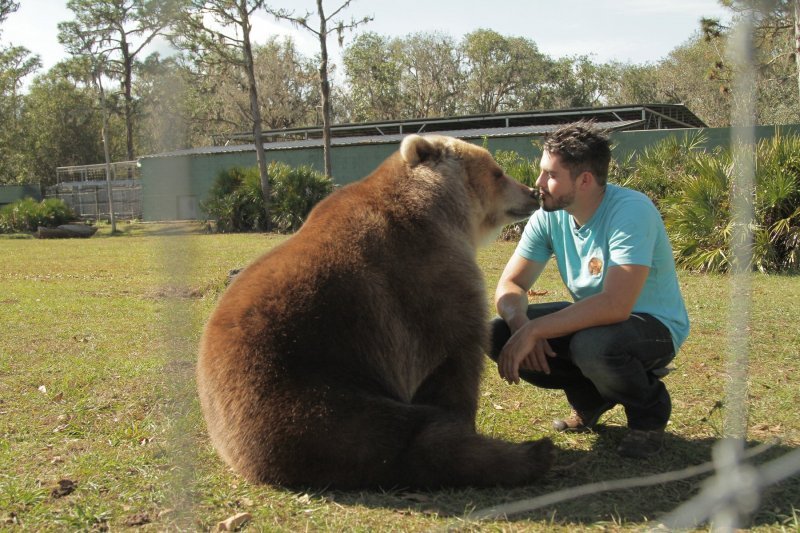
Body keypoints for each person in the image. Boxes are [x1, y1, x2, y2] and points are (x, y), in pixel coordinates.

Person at [488, 121, 690, 458]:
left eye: (549, 174)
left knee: (593, 346)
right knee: (497, 335)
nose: (538, 184)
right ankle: (592, 399)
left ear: (584, 180)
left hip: (652, 325)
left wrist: (536, 330)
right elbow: (511, 284)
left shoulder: (631, 211)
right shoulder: (549, 216)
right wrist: (520, 325)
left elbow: (615, 305)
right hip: (598, 324)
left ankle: (647, 417)